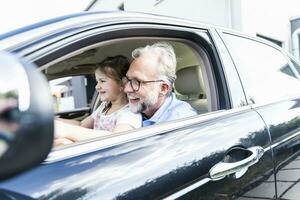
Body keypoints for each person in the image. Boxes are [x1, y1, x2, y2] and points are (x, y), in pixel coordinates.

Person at [54, 55, 142, 145]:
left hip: (110, 156)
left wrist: (66, 130)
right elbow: (81, 125)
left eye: (102, 81)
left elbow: (116, 139)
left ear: (122, 84)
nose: (97, 86)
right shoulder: (104, 106)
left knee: (63, 143)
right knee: (61, 142)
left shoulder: (129, 113)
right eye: (97, 82)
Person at [123, 42, 197, 126]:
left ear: (163, 88)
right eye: (128, 79)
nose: (126, 89)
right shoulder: (134, 109)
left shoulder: (180, 122)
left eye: (137, 82)